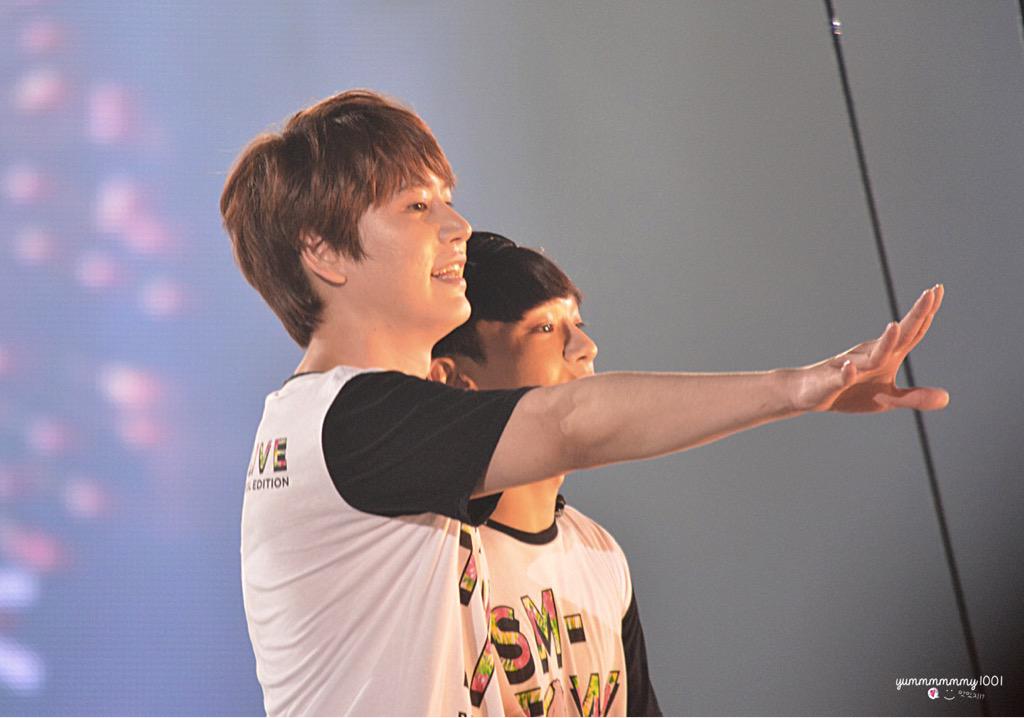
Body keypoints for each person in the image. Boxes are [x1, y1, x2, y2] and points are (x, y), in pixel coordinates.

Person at [219, 88, 947, 716]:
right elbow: (568, 423)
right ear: (322, 251)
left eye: (447, 199)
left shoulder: (347, 430)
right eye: (416, 205)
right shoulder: (343, 422)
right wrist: (802, 387)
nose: (457, 227)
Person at [430, 232, 662, 716]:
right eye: (544, 327)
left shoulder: (600, 553)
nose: (585, 347)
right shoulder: (427, 558)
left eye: (577, 323)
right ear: (453, 380)